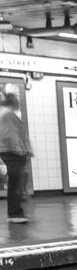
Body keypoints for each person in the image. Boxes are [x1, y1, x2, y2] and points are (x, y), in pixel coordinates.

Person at [0, 93, 33, 223]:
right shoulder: (8, 115)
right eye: (17, 100)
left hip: (10, 151)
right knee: (16, 183)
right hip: (12, 153)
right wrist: (20, 151)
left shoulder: (5, 114)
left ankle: (16, 212)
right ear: (12, 101)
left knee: (16, 183)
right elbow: (11, 135)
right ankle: (15, 214)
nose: (18, 102)